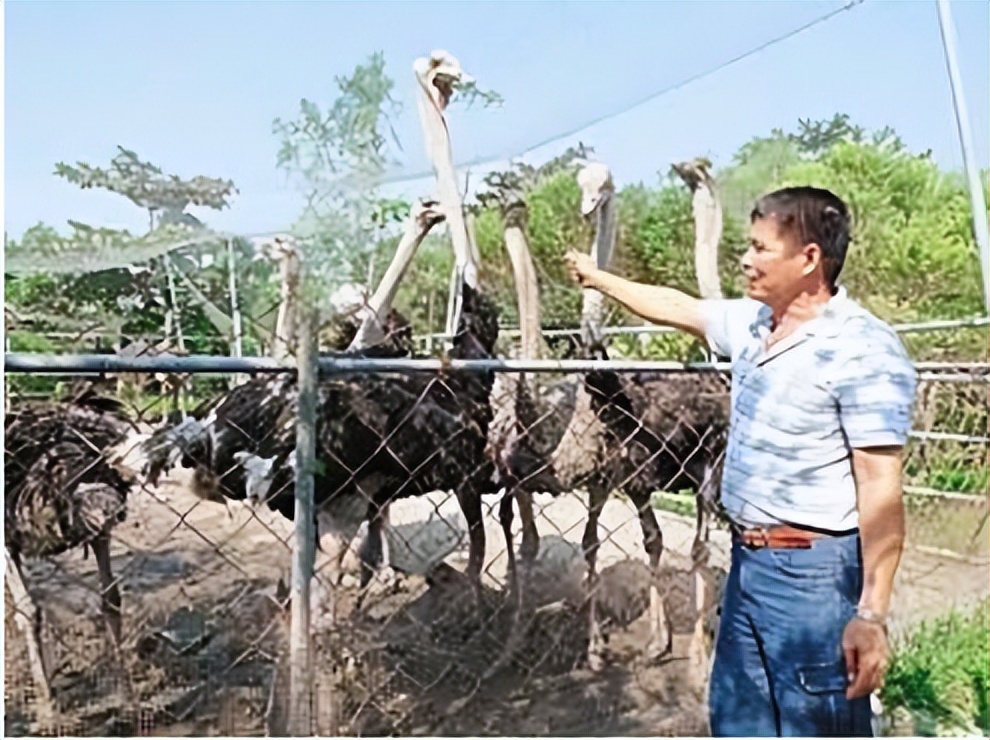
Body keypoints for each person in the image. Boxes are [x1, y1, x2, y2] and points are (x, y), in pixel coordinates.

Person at [564, 186, 916, 737]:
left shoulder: (862, 349)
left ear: (808, 259)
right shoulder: (755, 325)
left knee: (814, 725)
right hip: (747, 563)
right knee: (739, 721)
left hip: (814, 575)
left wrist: (870, 615)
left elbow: (879, 486)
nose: (746, 261)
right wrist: (598, 277)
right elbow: (679, 306)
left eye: (759, 249)